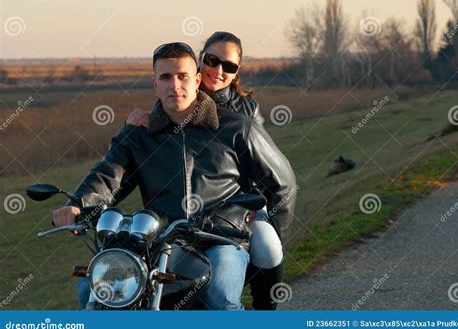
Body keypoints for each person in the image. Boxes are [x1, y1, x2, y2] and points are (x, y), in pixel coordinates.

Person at [52, 42, 296, 310]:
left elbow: (282, 183)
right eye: (166, 77)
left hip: (223, 239)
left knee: (220, 297)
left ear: (197, 80)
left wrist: (276, 243)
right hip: (161, 244)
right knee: (96, 289)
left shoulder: (236, 128)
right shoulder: (138, 135)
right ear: (155, 83)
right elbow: (107, 176)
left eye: (182, 76)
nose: (175, 85)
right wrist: (77, 204)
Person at [126, 32, 286, 310]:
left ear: (236, 72)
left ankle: (265, 312)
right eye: (211, 60)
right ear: (199, 63)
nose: (218, 70)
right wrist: (137, 122)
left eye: (229, 66)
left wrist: (252, 206)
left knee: (269, 245)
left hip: (242, 204)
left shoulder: (246, 112)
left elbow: (265, 168)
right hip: (189, 214)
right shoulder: (180, 91)